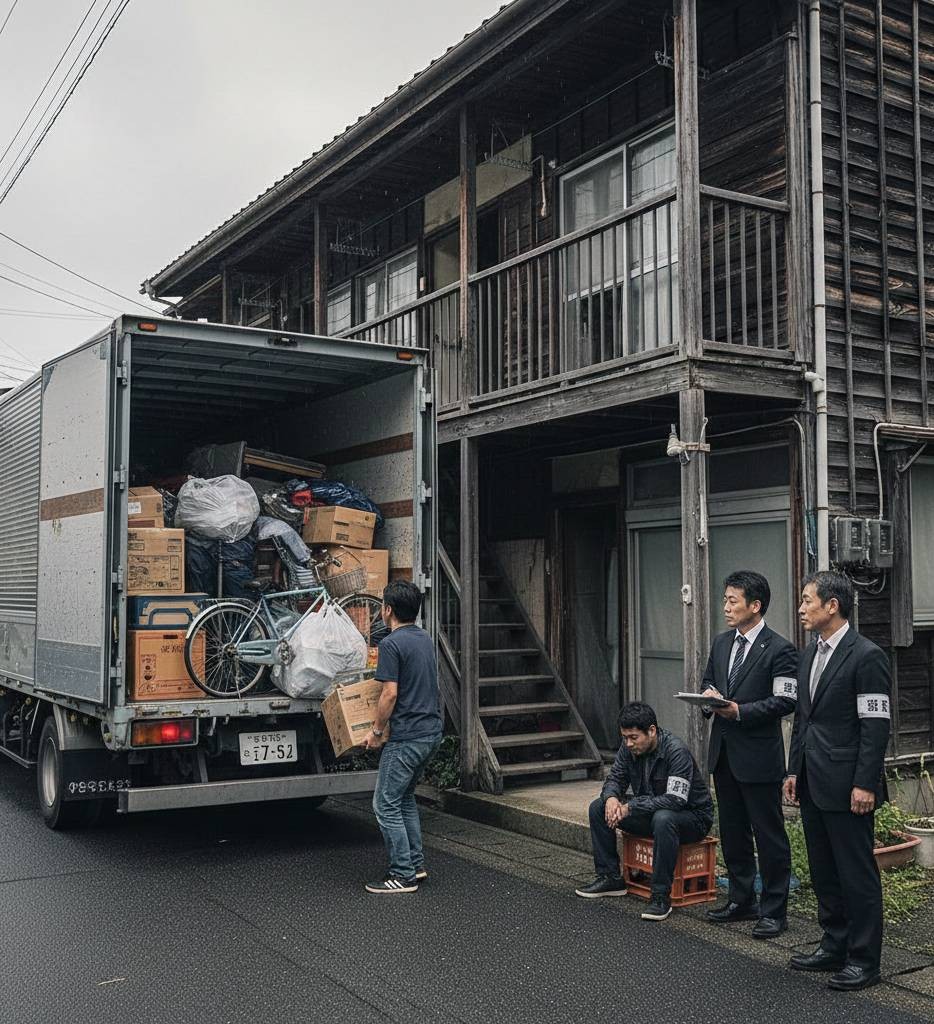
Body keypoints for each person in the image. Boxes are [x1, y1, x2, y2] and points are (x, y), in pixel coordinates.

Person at [784, 572, 890, 991]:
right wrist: (793, 770)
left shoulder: (867, 656)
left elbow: (875, 726)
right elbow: (803, 719)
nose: (801, 608)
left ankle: (865, 960)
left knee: (856, 872)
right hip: (813, 779)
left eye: (808, 600)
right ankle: (834, 943)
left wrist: (865, 783)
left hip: (849, 785)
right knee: (823, 869)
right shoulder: (808, 655)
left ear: (833, 606)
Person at [700, 570, 798, 938]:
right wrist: (708, 699)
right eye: (725, 599)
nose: (725, 606)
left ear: (755, 606)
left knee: (768, 834)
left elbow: (785, 701)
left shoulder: (780, 648)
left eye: (732, 600)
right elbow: (710, 680)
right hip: (723, 753)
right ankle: (742, 900)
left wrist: (740, 711)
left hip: (758, 757)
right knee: (733, 830)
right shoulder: (723, 643)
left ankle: (775, 909)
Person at [575, 701, 714, 921]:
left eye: (633, 738)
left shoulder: (676, 751)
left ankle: (660, 897)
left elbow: (675, 800)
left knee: (664, 818)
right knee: (598, 807)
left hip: (691, 818)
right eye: (624, 738)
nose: (628, 743)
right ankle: (610, 877)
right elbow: (615, 778)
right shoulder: (627, 748)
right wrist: (611, 798)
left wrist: (631, 807)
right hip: (652, 813)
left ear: (651, 731)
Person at [361, 580, 443, 894]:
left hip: (407, 737)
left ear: (388, 610)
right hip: (430, 732)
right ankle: (416, 865)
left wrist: (376, 731)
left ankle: (402, 873)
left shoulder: (391, 645)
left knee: (384, 804)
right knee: (404, 799)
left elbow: (389, 694)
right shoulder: (424, 638)